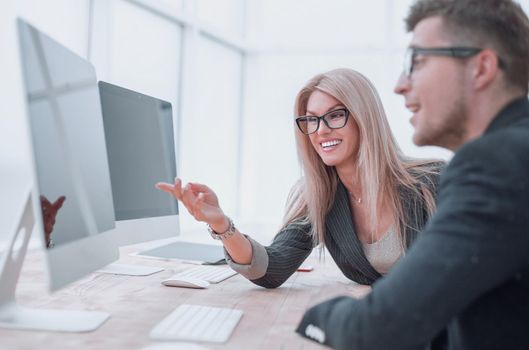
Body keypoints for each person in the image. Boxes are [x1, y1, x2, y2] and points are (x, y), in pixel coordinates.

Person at [295, 0, 529, 349]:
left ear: (480, 68)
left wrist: (309, 318)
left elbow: (377, 330)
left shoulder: (495, 164)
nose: (401, 85)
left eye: (417, 62)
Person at [157, 68, 443, 290]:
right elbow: (271, 269)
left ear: (365, 118)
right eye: (311, 120)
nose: (321, 131)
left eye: (335, 116)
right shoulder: (319, 195)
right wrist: (220, 224)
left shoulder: (432, 182)